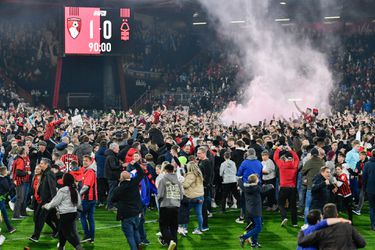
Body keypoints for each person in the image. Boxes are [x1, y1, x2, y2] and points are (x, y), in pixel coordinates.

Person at [298, 203, 366, 249]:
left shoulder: (320, 230)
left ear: (324, 216)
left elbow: (301, 242)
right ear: (336, 215)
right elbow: (362, 243)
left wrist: (301, 231)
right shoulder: (347, 226)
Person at [43, 173, 83, 250]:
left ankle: (78, 247)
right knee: (61, 231)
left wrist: (45, 206)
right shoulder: (75, 190)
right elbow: (79, 203)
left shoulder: (62, 191)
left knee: (67, 233)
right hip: (73, 214)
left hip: (65, 215)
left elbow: (54, 203)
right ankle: (61, 247)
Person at [110, 161, 145, 250]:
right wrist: (136, 164)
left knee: (129, 235)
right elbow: (141, 173)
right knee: (136, 230)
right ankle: (139, 245)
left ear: (121, 178)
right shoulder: (134, 183)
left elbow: (112, 199)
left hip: (126, 215)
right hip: (136, 212)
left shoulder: (119, 189)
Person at [29, 158, 58, 242]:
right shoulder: (45, 173)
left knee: (39, 219)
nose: (40, 165)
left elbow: (52, 189)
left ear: (46, 165)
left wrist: (53, 202)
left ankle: (35, 237)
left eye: (42, 163)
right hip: (42, 201)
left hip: (46, 202)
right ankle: (57, 230)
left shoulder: (49, 174)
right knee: (48, 218)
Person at [239, 174, 269, 249]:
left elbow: (240, 182)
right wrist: (271, 186)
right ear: (255, 181)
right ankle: (244, 237)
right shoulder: (256, 188)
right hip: (256, 211)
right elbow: (263, 189)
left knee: (255, 226)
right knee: (258, 227)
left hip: (249, 210)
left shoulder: (245, 187)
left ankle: (254, 243)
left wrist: (240, 178)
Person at [157, 163, 183, 250]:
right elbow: (181, 196)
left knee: (163, 226)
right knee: (173, 228)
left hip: (165, 206)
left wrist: (159, 200)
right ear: (173, 171)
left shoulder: (163, 180)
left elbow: (160, 195)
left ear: (165, 171)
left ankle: (170, 241)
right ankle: (174, 246)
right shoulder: (178, 181)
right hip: (176, 206)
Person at [273, 145, 299, 227]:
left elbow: (275, 158)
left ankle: (284, 217)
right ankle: (294, 223)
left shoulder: (282, 165)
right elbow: (297, 159)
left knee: (280, 203)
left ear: (286, 159)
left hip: (283, 187)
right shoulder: (295, 165)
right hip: (292, 188)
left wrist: (278, 149)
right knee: (293, 206)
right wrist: (291, 150)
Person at [237, 148, 263, 224]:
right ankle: (259, 219)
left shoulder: (244, 163)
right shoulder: (259, 162)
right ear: (255, 154)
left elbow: (239, 173)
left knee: (245, 203)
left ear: (248, 154)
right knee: (257, 203)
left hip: (247, 186)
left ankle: (247, 219)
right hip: (257, 185)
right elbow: (261, 174)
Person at [301, 148, 325, 223]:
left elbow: (302, 172)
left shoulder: (309, 162)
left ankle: (306, 223)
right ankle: (318, 223)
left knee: (308, 207)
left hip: (311, 187)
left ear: (311, 155)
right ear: (318, 154)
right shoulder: (322, 162)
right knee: (319, 207)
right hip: (320, 187)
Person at [181, 161, 204, 235]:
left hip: (192, 197)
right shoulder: (199, 174)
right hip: (200, 196)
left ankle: (184, 228)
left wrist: (182, 180)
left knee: (185, 212)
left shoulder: (191, 175)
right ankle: (199, 229)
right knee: (199, 214)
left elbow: (185, 185)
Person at [80, 155, 97, 243]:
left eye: (86, 160)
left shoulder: (90, 172)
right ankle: (91, 238)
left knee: (82, 216)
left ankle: (87, 235)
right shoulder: (87, 171)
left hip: (88, 198)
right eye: (83, 160)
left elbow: (86, 186)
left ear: (90, 162)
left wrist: (78, 194)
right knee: (90, 217)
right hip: (92, 198)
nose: (84, 162)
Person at [11, 146, 31, 220]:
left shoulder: (17, 158)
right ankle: (16, 215)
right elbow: (18, 172)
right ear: (24, 153)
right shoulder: (20, 160)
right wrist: (27, 172)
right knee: (20, 198)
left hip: (17, 180)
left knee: (20, 198)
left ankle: (19, 214)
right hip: (19, 181)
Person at [197, 146, 212, 231]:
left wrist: (204, 184)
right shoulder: (201, 161)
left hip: (204, 188)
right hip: (201, 187)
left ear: (203, 153)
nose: (197, 154)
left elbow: (208, 175)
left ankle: (205, 226)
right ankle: (202, 225)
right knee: (201, 207)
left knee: (203, 207)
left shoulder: (207, 162)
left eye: (199, 153)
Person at [104, 142, 123, 210]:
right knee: (112, 191)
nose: (118, 149)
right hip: (112, 177)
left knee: (112, 191)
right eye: (117, 148)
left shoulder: (111, 155)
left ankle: (109, 204)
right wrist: (122, 165)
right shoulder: (111, 156)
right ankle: (110, 205)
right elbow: (113, 167)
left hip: (111, 176)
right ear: (114, 148)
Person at [0, 166, 16, 233]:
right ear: (4, 171)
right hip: (0, 199)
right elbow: (8, 189)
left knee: (4, 213)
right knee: (4, 214)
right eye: (6, 170)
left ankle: (10, 227)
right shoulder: (3, 180)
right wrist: (14, 184)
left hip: (2, 199)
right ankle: (10, 228)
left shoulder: (3, 178)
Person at [363, 149, 375, 231]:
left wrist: (364, 189)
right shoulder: (367, 164)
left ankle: (373, 225)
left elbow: (364, 178)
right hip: (370, 189)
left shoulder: (367, 164)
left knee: (372, 207)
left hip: (370, 189)